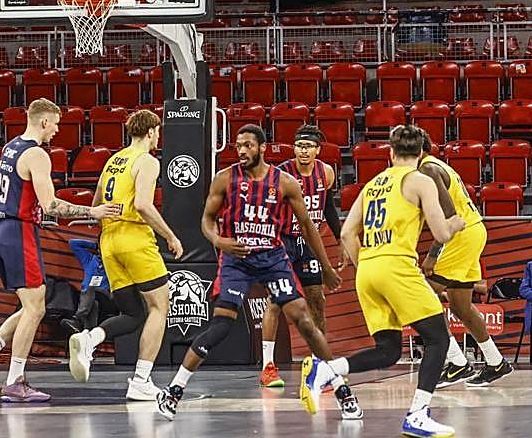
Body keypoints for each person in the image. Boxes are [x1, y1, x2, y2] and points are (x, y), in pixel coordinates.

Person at [156, 124, 356, 422]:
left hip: (272, 257)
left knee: (303, 317)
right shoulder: (225, 178)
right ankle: (174, 390)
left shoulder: (285, 182)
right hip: (237, 260)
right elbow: (207, 219)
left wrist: (326, 267)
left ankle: (342, 390)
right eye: (238, 145)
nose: (242, 150)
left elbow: (307, 226)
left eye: (248, 145)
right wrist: (218, 240)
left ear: (262, 148)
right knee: (221, 326)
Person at [302, 125, 467, 438]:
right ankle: (418, 414)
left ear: (391, 153)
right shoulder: (420, 179)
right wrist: (456, 223)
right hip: (397, 265)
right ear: (421, 154)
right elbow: (442, 232)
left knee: (389, 350)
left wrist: (368, 264)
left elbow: (347, 233)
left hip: (368, 268)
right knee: (438, 338)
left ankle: (329, 369)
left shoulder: (373, 184)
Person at [0, 99, 118, 403]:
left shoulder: (10, 147)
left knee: (30, 306)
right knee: (36, 308)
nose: (57, 130)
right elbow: (51, 205)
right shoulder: (37, 154)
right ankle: (15, 380)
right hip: (20, 231)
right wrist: (93, 211)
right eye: (55, 124)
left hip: (4, 229)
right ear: (43, 122)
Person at [68, 109, 182, 400]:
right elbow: (143, 204)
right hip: (134, 238)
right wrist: (170, 235)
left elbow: (96, 203)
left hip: (109, 240)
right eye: (158, 131)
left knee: (132, 313)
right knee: (159, 308)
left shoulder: (113, 160)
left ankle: (90, 339)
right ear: (151, 132)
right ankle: (141, 380)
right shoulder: (147, 161)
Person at [418, 135, 513, 388]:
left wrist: (432, 254)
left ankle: (457, 362)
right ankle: (496, 362)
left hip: (460, 234)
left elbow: (450, 216)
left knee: (420, 295)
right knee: (461, 307)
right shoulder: (437, 165)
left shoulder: (427, 169)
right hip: (474, 230)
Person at [260, 124, 338, 387]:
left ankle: (321, 366)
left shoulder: (326, 173)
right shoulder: (281, 175)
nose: (303, 151)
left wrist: (340, 240)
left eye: (308, 146)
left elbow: (328, 208)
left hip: (307, 242)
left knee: (317, 300)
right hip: (282, 241)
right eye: (299, 146)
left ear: (318, 150)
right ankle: (267, 367)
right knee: (275, 302)